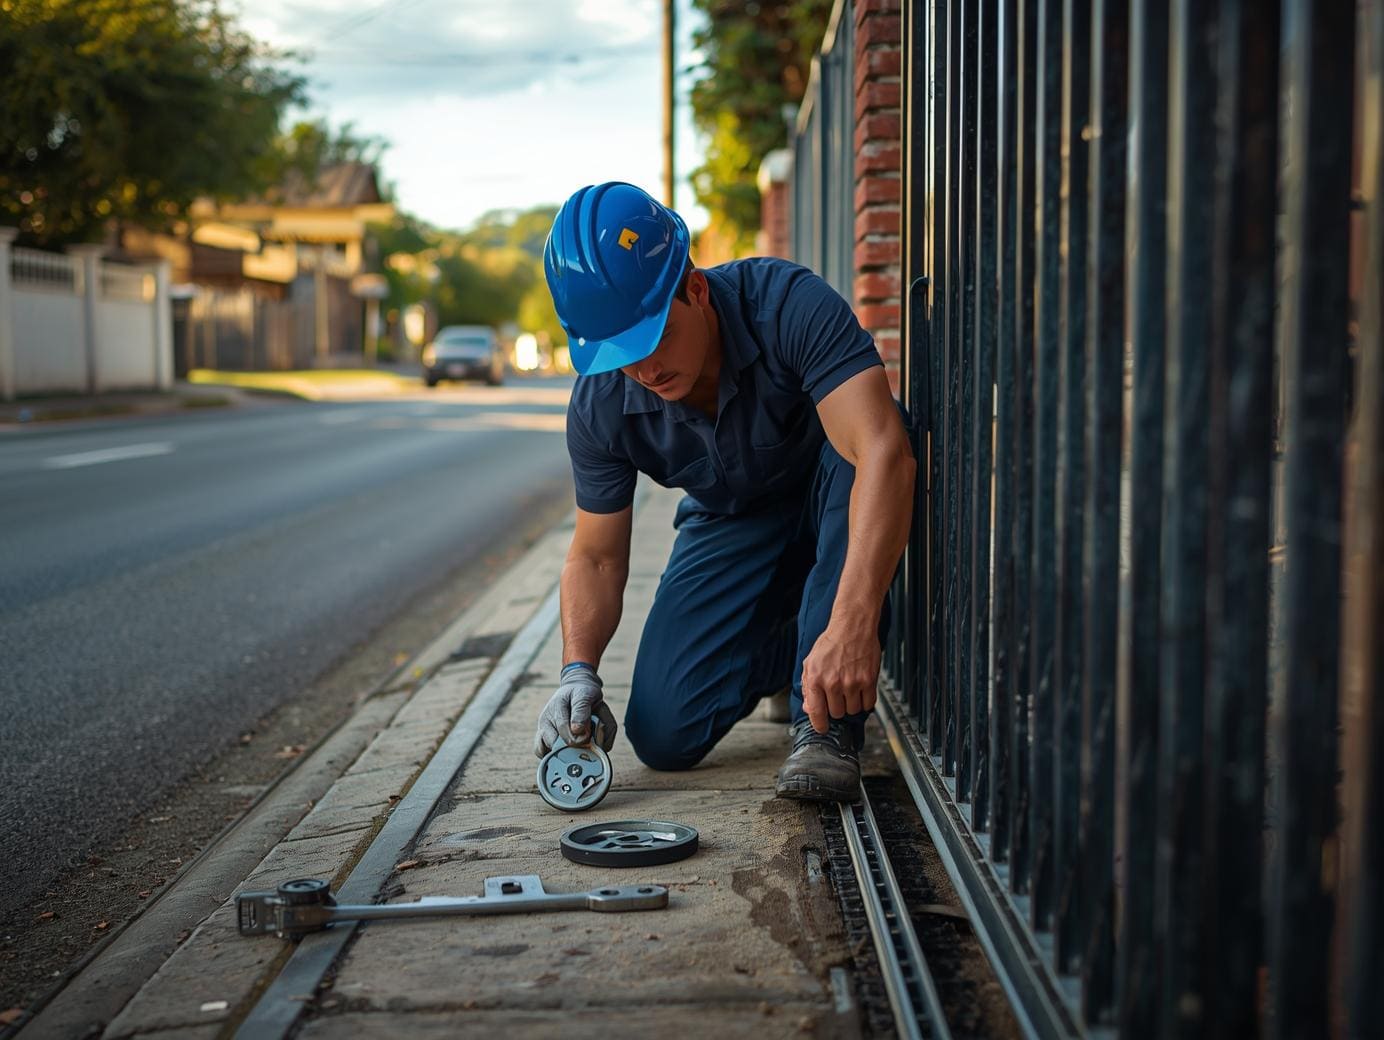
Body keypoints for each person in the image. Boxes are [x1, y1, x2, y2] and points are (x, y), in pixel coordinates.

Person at [531, 182, 914, 801]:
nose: (645, 371)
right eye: (620, 356)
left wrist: (852, 623)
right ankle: (797, 649)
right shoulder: (601, 402)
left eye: (653, 339)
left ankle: (825, 726)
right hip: (732, 519)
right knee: (661, 735)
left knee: (861, 452)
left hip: (834, 488)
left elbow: (883, 454)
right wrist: (578, 669)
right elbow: (597, 554)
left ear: (697, 290)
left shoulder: (788, 305)